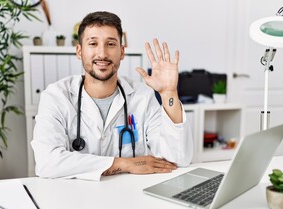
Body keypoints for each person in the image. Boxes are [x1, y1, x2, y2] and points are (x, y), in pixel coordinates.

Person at [31, 11, 193, 181]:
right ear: (79, 51)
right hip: (75, 199)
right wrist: (123, 164)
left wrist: (169, 93)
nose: (102, 53)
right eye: (93, 43)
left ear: (122, 52)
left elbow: (176, 159)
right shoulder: (56, 96)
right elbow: (47, 162)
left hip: (130, 197)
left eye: (110, 44)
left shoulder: (142, 97)